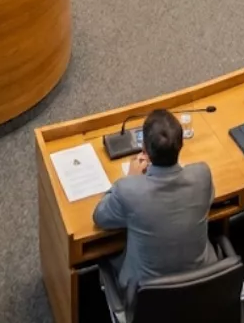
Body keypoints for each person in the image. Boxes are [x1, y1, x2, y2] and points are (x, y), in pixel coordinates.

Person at [92, 108, 216, 311]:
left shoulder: (129, 190)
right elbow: (208, 200)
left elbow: (100, 216)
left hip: (145, 300)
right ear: (181, 144)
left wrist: (130, 179)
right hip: (200, 286)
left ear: (144, 150)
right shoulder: (202, 174)